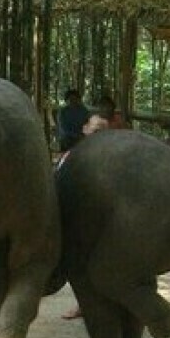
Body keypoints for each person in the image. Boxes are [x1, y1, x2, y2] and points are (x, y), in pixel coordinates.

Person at [57, 114, 109, 320]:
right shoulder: (71, 155)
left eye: (102, 130)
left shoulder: (110, 157)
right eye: (94, 128)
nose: (97, 133)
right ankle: (84, 304)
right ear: (85, 129)